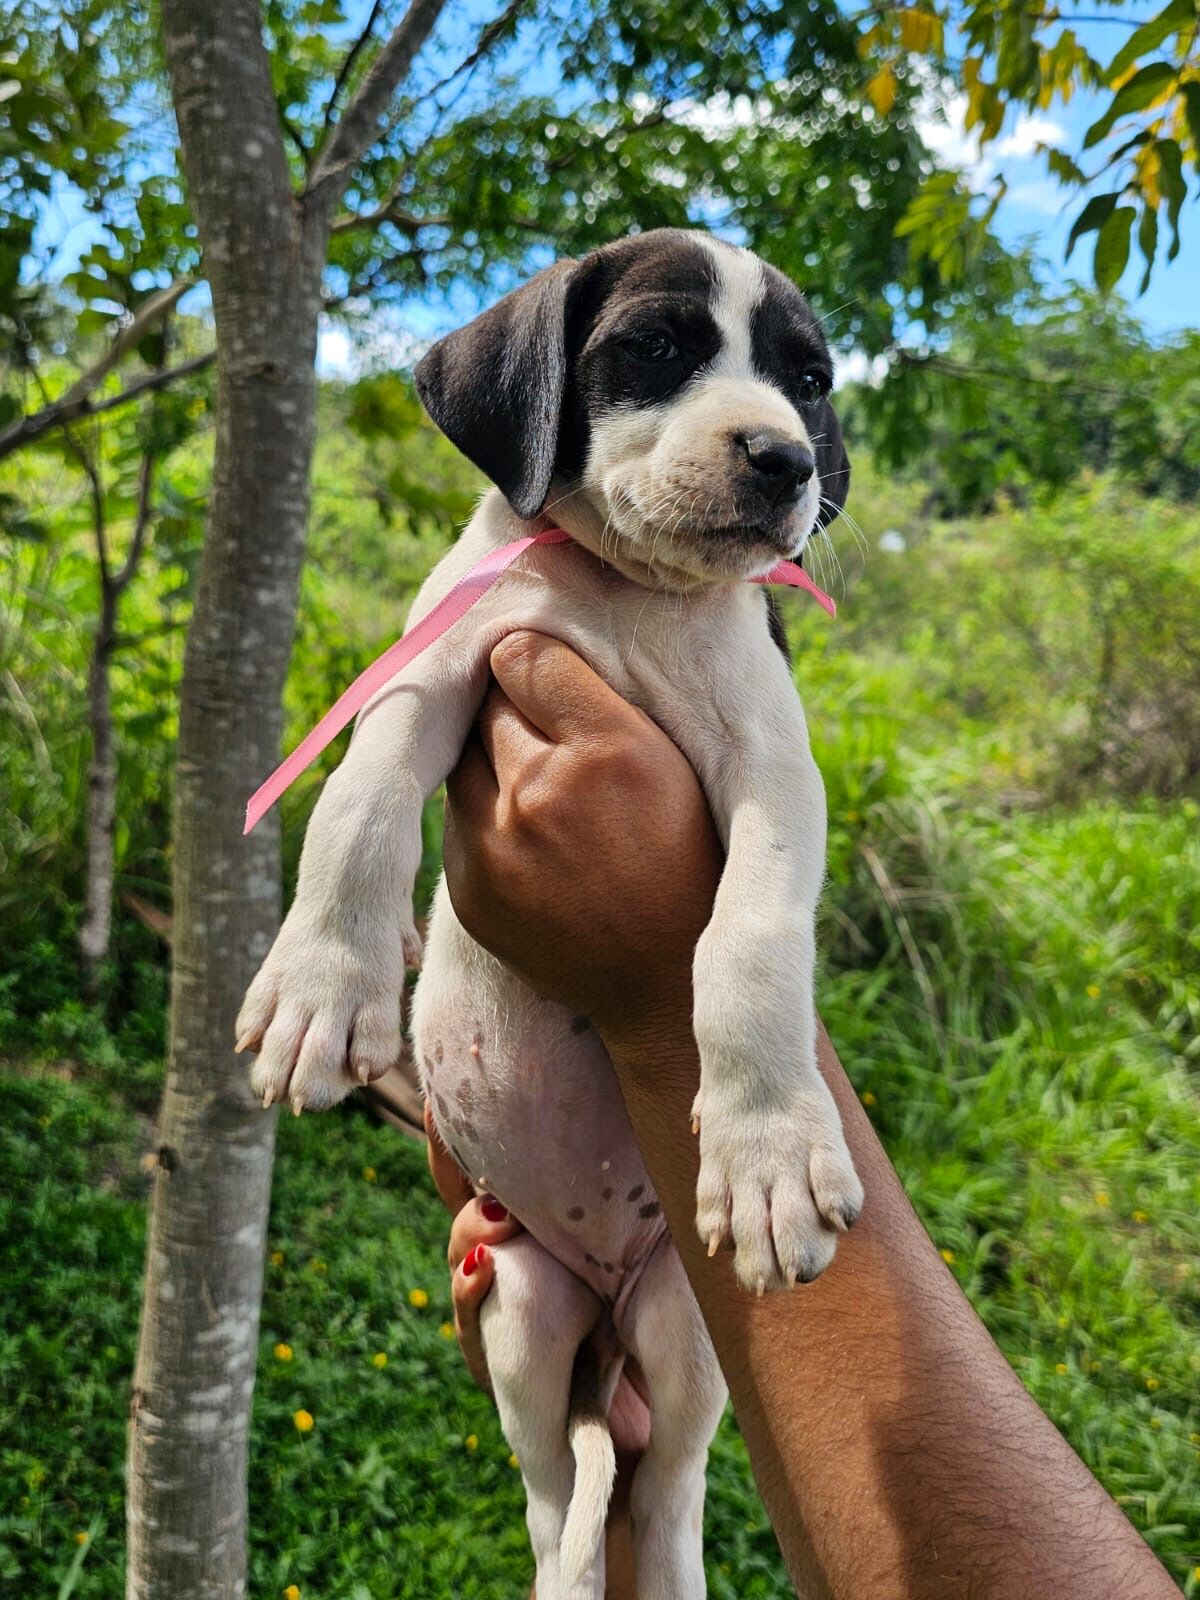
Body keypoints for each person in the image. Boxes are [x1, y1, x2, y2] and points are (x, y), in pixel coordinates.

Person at [424, 629, 1178, 1600]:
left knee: (654, 1491)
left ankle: (650, 1514)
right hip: (572, 1229)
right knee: (567, 1497)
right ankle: (595, 1525)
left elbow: (769, 783)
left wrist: (670, 997)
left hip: (648, 1231)